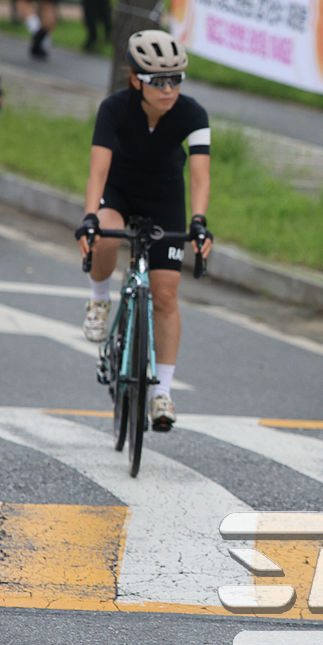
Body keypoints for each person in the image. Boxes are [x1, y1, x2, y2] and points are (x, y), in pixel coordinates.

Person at [75, 30, 212, 432]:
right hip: (119, 191)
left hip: (164, 198)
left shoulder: (193, 114)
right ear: (136, 79)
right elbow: (98, 171)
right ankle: (99, 299)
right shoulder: (114, 108)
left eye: (176, 79)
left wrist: (199, 222)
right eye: (159, 81)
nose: (169, 89)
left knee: (165, 294)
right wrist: (89, 217)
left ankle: (162, 393)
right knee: (105, 232)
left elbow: (200, 176)